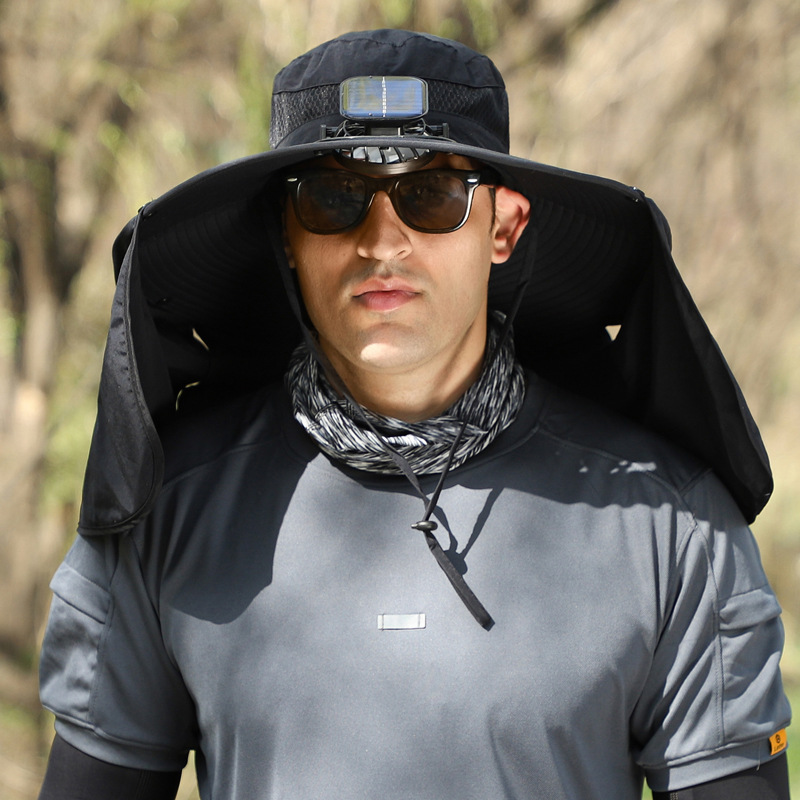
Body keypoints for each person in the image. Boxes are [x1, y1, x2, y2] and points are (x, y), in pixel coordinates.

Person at [37, 29, 791, 800]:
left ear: (504, 227)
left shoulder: (670, 522)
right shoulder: (166, 507)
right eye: (334, 197)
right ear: (286, 232)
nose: (382, 242)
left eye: (430, 195)